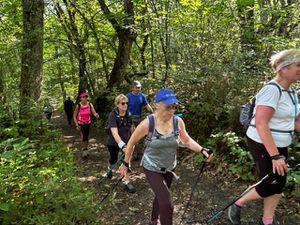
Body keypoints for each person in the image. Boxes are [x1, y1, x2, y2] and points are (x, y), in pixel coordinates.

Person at [120, 88, 213, 225]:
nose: (171, 111)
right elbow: (132, 142)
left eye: (174, 107)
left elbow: (186, 140)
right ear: (157, 105)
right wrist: (126, 163)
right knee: (167, 203)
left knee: (160, 196)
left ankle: (153, 221)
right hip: (151, 166)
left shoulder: (177, 122)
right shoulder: (148, 123)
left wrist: (201, 149)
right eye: (167, 107)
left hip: (170, 167)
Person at [228, 49, 300, 225]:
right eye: (299, 65)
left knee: (279, 183)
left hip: (279, 143)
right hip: (262, 142)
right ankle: (237, 203)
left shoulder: (291, 92)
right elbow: (261, 123)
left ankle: (267, 220)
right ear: (284, 68)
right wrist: (275, 156)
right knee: (272, 184)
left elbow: (293, 122)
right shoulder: (272, 90)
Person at [106, 94, 136, 193]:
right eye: (123, 103)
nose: (125, 105)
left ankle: (126, 181)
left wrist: (133, 139)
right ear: (117, 104)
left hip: (126, 142)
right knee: (113, 159)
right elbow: (114, 132)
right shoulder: (112, 115)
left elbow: (132, 127)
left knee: (125, 161)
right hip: (114, 142)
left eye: (127, 103)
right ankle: (109, 167)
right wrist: (122, 145)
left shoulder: (129, 114)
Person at [127, 80, 153, 160]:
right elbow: (123, 106)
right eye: (137, 87)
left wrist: (153, 112)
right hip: (130, 118)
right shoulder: (128, 96)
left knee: (141, 136)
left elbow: (147, 105)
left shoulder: (142, 96)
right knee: (133, 135)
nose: (138, 89)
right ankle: (133, 154)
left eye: (139, 87)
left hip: (138, 118)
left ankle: (140, 152)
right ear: (133, 88)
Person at [73, 91, 99, 156]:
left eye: (86, 97)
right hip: (81, 124)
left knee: (86, 137)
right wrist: (76, 125)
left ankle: (86, 149)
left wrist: (96, 115)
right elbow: (74, 116)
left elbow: (93, 112)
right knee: (83, 136)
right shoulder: (78, 106)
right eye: (83, 97)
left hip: (88, 123)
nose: (85, 98)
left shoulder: (90, 104)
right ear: (81, 98)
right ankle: (84, 150)